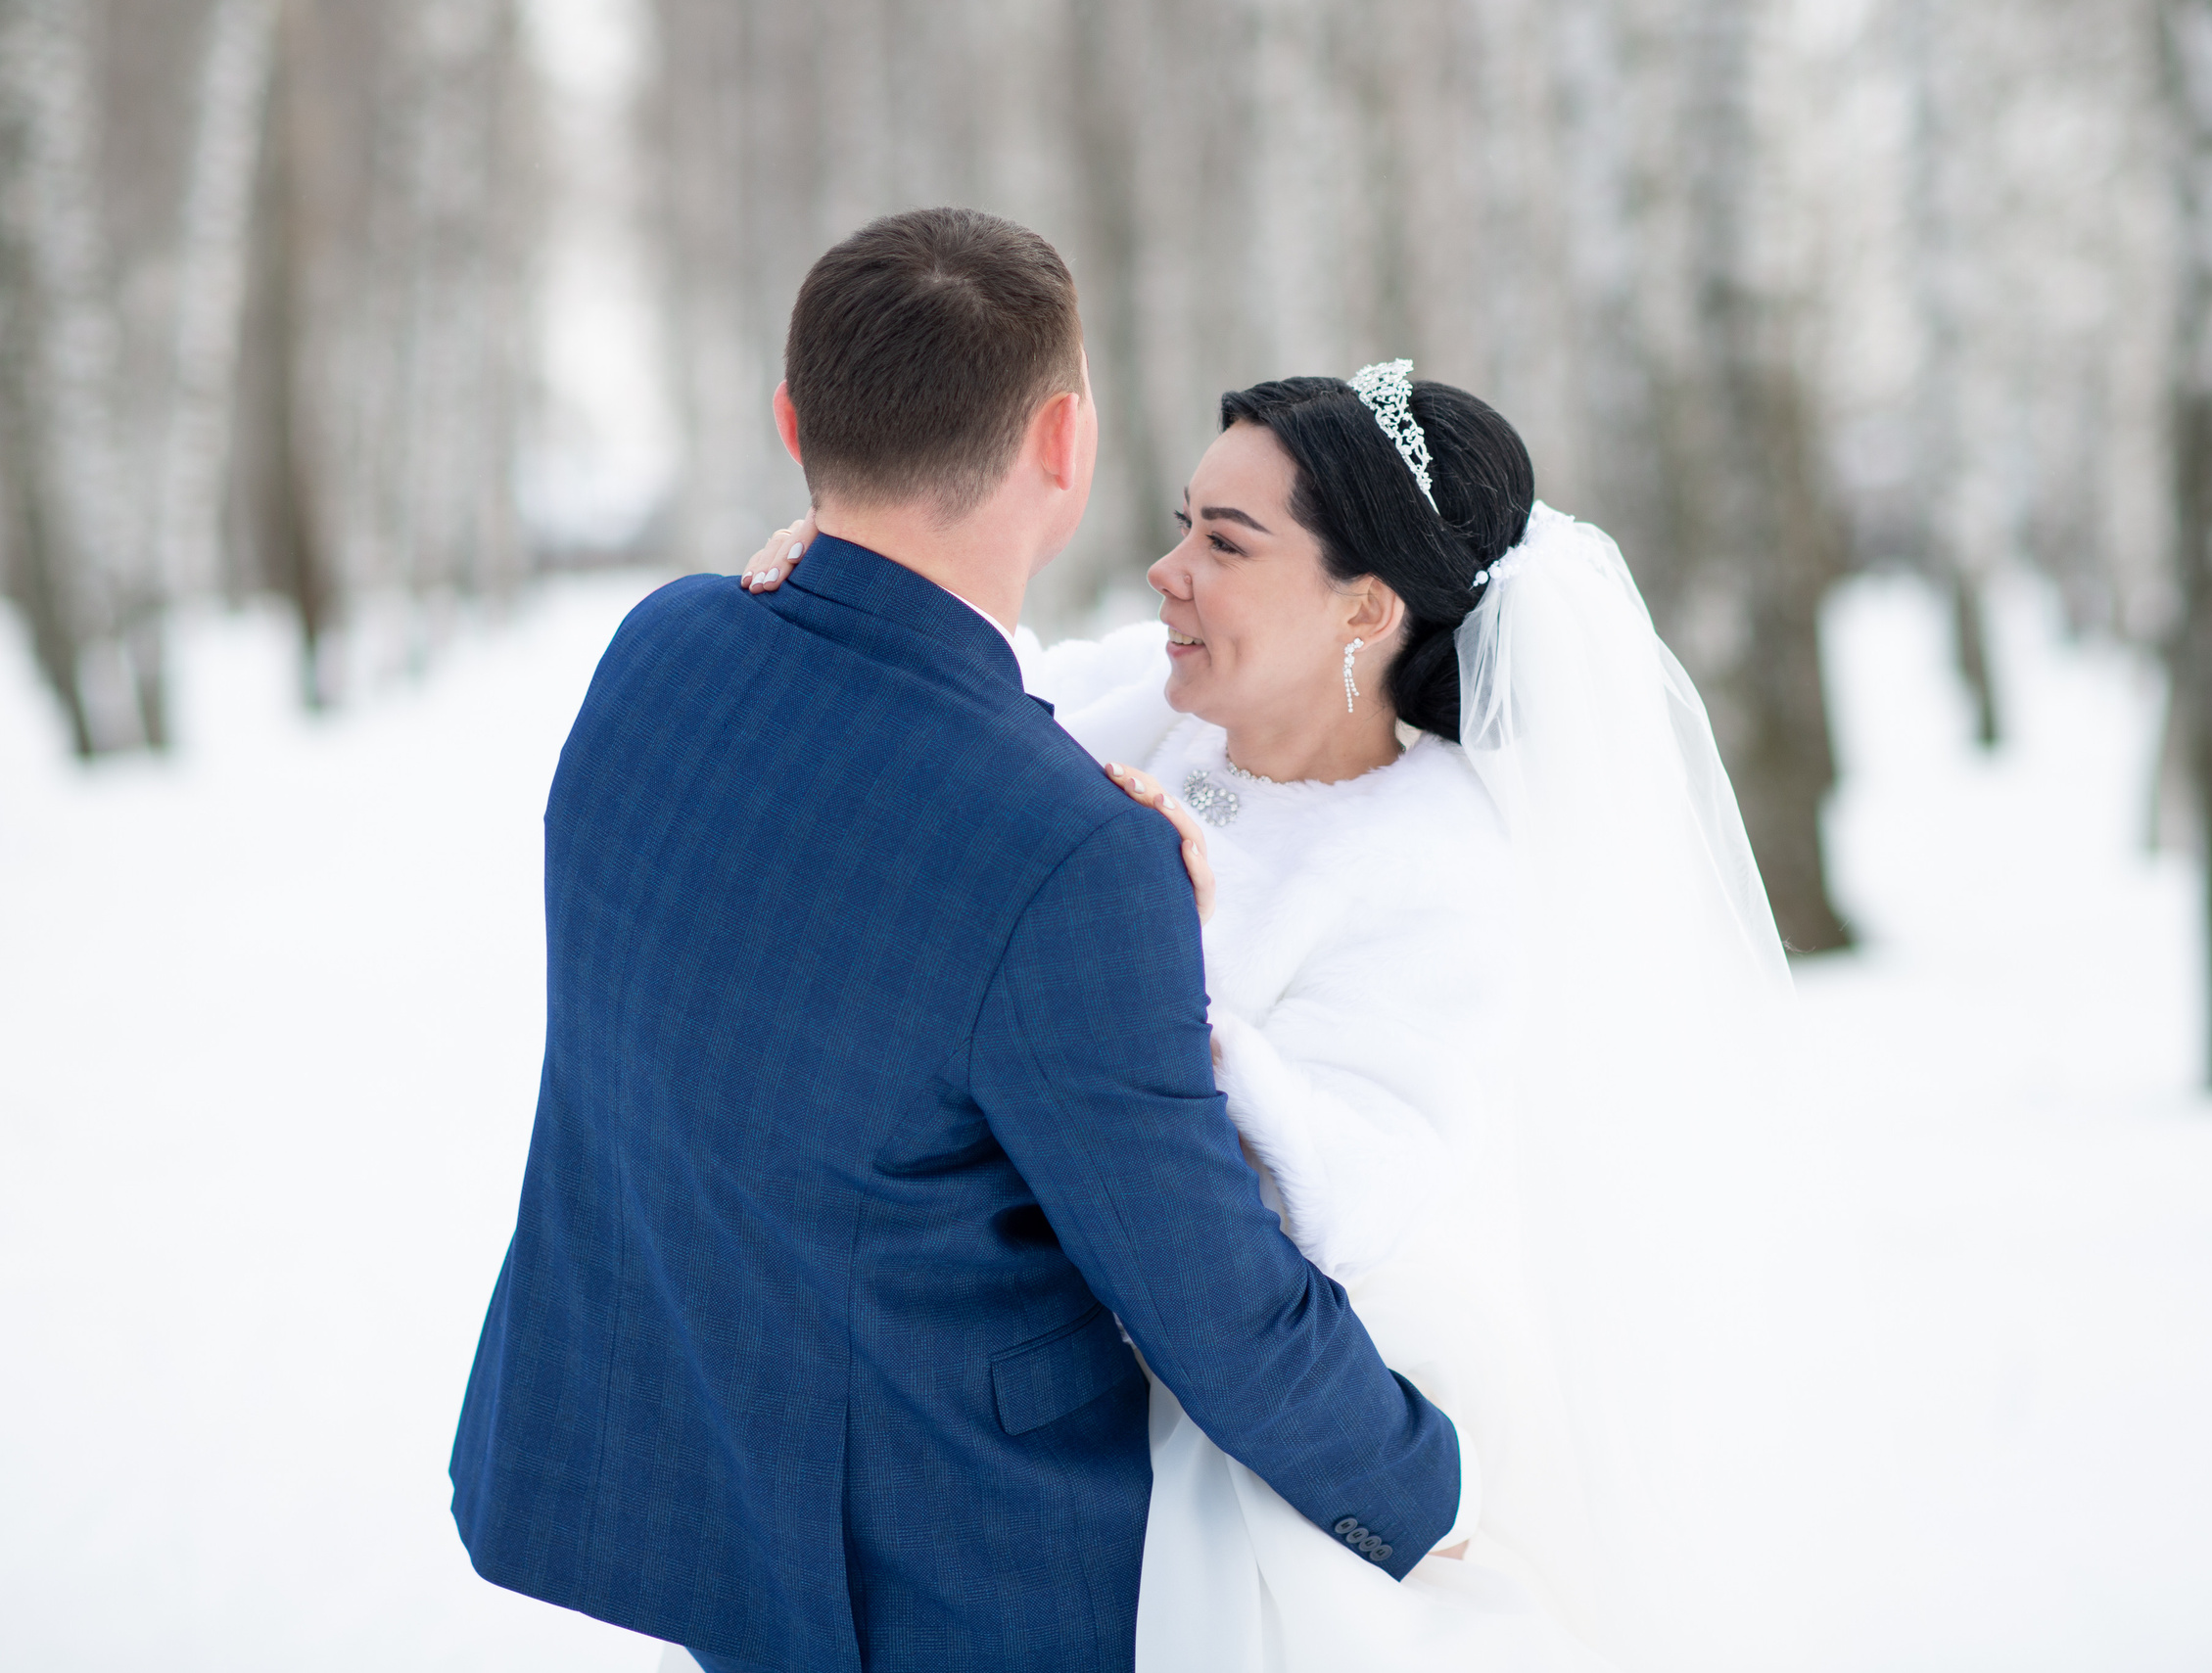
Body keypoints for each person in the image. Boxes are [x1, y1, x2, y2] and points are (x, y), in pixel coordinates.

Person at [447, 209, 1475, 1673]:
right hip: (943, 1568)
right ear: (1069, 443)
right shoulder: (1076, 850)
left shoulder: (660, 646)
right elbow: (1219, 1314)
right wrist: (1432, 1497)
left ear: (793, 421)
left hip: (685, 1478)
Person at [741, 361, 1793, 1667]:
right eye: (1184, 520)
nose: (1164, 569)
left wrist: (1153, 968)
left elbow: (1348, 1194)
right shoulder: (1155, 697)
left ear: (1367, 602)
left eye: (1224, 541)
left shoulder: (1437, 857)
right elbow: (987, 692)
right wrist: (869, 581)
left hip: (1236, 1400)